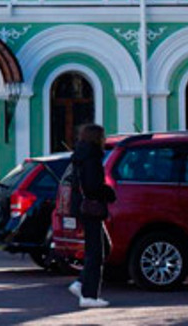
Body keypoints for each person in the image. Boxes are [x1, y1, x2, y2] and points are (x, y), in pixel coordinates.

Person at [67, 123, 115, 309]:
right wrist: (108, 193)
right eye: (102, 136)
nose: (104, 139)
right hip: (91, 209)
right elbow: (92, 186)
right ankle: (89, 296)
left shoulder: (82, 155)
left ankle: (81, 284)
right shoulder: (92, 158)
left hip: (83, 207)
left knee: (103, 247)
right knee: (95, 252)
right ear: (97, 138)